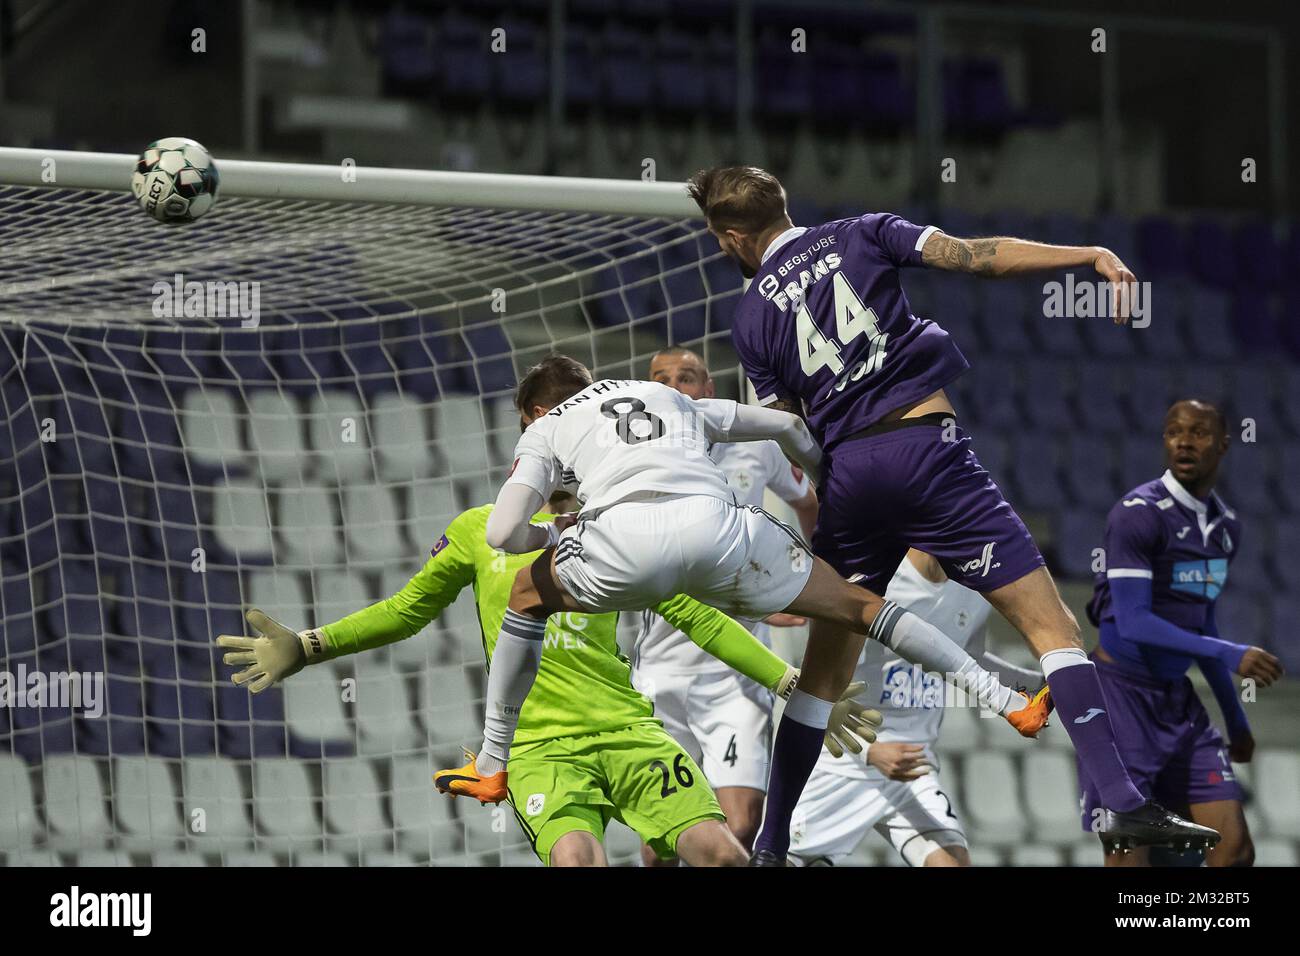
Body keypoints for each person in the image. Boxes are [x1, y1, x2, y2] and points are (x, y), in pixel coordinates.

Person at [686, 164, 1216, 863]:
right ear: (783, 204)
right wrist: (1086, 255)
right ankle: (1121, 802)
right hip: (927, 453)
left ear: (730, 237)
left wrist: (844, 488)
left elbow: (789, 432)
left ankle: (772, 847)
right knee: (1049, 625)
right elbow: (978, 256)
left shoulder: (751, 317)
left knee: (821, 679)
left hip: (850, 477)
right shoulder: (863, 232)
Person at [434, 355, 1050, 810]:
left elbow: (502, 531)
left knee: (524, 599)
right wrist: (823, 478)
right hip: (720, 533)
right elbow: (784, 428)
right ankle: (1011, 704)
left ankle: (492, 762)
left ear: (533, 410)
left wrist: (553, 535)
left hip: (621, 547)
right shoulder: (666, 399)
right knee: (864, 608)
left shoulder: (544, 429)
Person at [216, 489, 865, 866]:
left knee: (722, 852)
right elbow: (406, 611)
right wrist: (310, 644)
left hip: (629, 734)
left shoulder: (618, 536)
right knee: (578, 860)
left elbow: (701, 619)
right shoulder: (479, 533)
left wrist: (791, 685)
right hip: (541, 752)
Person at [632, 346, 819, 859]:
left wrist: (812, 573)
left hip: (732, 672)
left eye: (687, 376)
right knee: (663, 838)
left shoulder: (756, 447)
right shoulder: (636, 461)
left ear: (710, 391)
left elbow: (808, 501)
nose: (675, 386)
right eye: (661, 378)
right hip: (661, 672)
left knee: (741, 823)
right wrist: (755, 599)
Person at [1084, 399, 1283, 862]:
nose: (1185, 442)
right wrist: (1233, 653)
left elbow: (1203, 622)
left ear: (1224, 444)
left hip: (1177, 702)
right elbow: (1133, 623)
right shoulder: (1137, 513)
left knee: (1233, 851)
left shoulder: (1226, 530)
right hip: (1120, 701)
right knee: (1131, 854)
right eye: (1174, 431)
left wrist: (1237, 721)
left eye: (1198, 432)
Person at [789, 550, 1045, 867]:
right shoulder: (873, 578)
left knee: (952, 861)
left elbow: (968, 657)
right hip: (842, 762)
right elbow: (813, 684)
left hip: (913, 767)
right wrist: (871, 751)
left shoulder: (974, 588)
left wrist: (1037, 684)